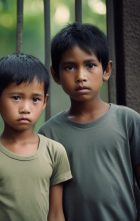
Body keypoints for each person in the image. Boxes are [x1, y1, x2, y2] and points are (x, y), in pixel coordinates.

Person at [39, 22, 140, 221]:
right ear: (56, 74)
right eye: (69, 67)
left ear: (107, 70)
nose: (81, 76)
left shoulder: (128, 121)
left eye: (90, 65)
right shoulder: (48, 134)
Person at [0, 53, 72, 221]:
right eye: (16, 97)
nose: (25, 108)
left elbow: (56, 214)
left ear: (44, 102)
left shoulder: (55, 152)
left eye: (35, 99)